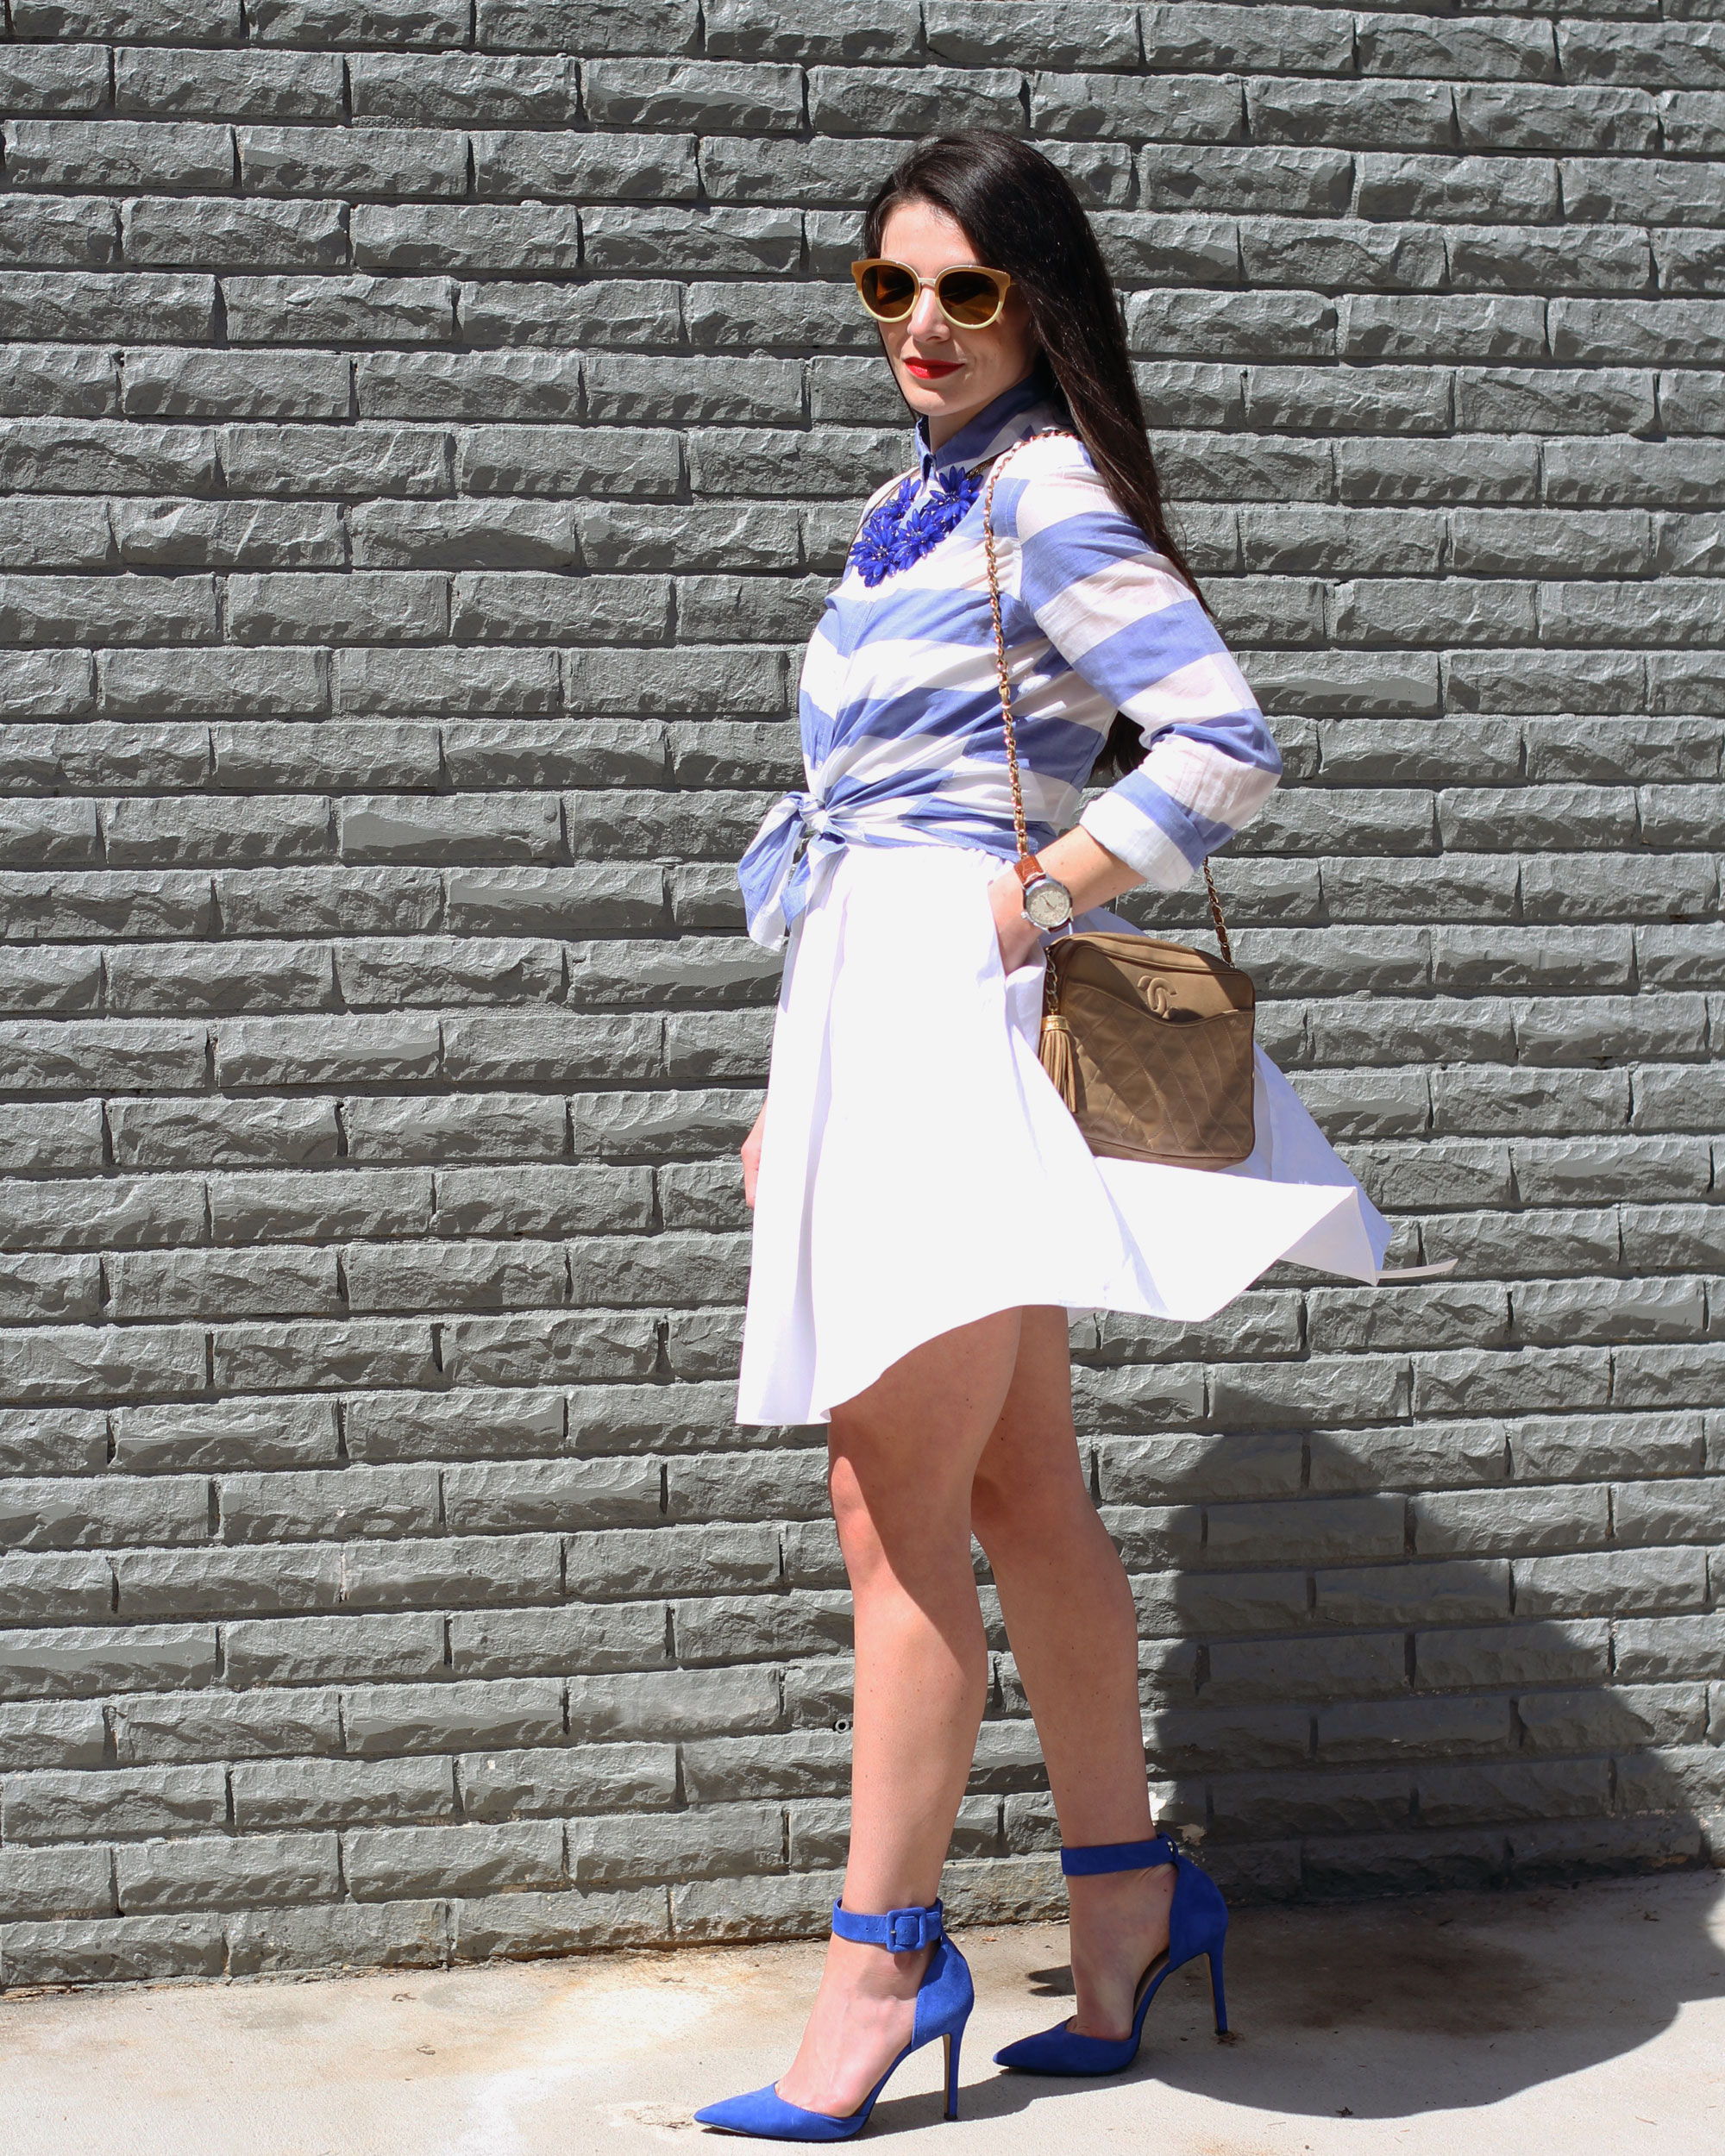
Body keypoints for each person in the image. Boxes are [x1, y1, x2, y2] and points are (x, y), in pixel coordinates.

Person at [694, 130, 1389, 2142]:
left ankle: (878, 1954)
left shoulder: (1044, 494)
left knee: (883, 1516)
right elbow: (858, 825)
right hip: (876, 1014)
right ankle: (1125, 1906)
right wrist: (791, 1077)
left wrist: (1038, 895)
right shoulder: (911, 508)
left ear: (1036, 305)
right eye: (887, 286)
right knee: (1014, 1497)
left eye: (966, 290)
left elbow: (1226, 740)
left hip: (949, 1008)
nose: (921, 322)